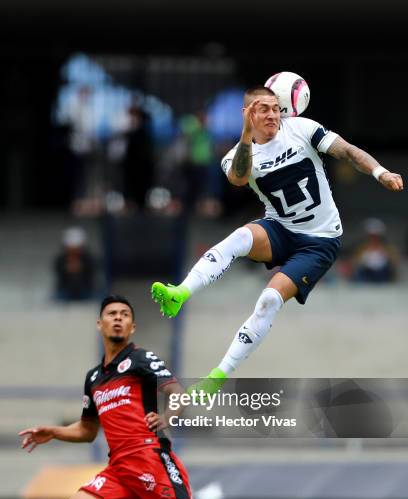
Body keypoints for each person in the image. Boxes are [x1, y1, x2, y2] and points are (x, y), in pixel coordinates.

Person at [5, 295, 273, 499]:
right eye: (111, 313)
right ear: (99, 323)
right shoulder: (93, 378)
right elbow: (87, 430)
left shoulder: (142, 359)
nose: (117, 318)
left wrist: (166, 417)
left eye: (124, 314)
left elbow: (178, 393)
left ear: (132, 326)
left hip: (148, 456)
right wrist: (53, 432)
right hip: (119, 468)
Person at [151, 86, 403, 386]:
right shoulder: (237, 154)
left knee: (269, 300)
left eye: (275, 107)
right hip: (281, 227)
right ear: (248, 115)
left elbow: (347, 150)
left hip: (320, 241)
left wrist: (380, 172)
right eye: (263, 109)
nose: (272, 114)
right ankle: (180, 293)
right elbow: (238, 178)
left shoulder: (302, 129)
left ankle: (216, 377)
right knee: (240, 237)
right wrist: (246, 136)